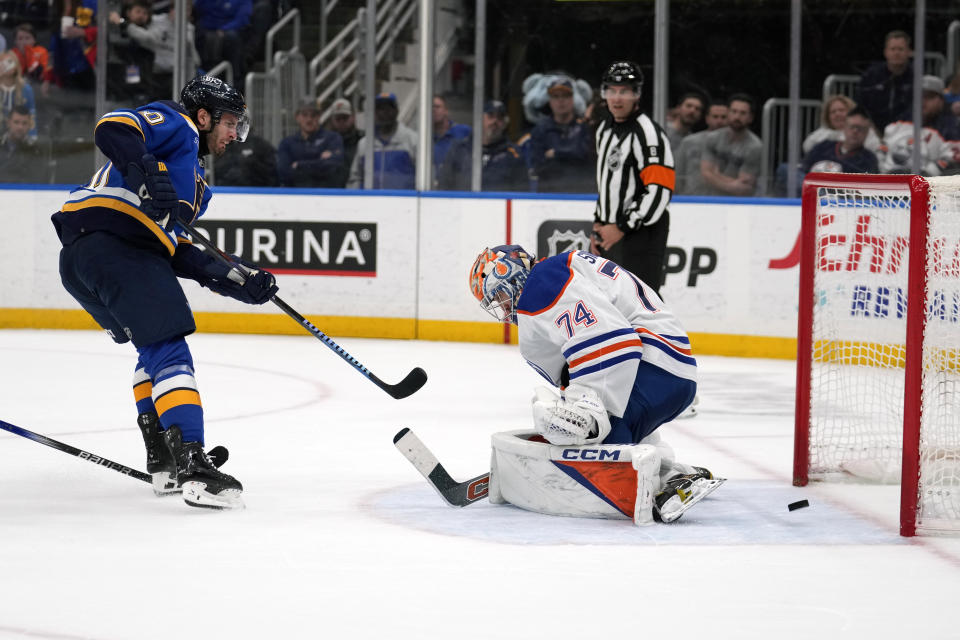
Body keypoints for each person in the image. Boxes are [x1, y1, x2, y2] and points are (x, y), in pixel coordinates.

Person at [49, 75, 278, 510]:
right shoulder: (179, 124)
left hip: (88, 258)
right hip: (114, 245)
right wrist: (147, 168)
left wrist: (238, 280)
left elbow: (178, 250)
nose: (234, 134)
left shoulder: (197, 186)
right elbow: (112, 128)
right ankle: (193, 464)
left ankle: (165, 460)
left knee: (152, 346)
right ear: (205, 115)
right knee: (169, 348)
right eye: (231, 122)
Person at [468, 244, 719, 523]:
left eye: (501, 295)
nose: (503, 307)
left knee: (588, 450)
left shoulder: (542, 282)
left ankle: (665, 482)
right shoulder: (558, 272)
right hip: (667, 371)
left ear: (512, 275)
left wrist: (587, 411)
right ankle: (675, 475)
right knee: (586, 432)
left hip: (652, 370)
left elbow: (614, 342)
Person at [591, 61, 674, 294]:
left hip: (641, 234)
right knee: (611, 303)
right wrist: (599, 224)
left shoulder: (648, 134)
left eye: (625, 92)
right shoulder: (604, 129)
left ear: (636, 94)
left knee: (642, 303)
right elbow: (607, 182)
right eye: (612, 91)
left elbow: (659, 190)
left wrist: (622, 226)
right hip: (610, 233)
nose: (617, 99)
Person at [437, 99, 527, 192]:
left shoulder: (514, 154)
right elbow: (444, 185)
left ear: (504, 124)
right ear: (481, 119)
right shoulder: (459, 150)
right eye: (490, 116)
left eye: (500, 118)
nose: (495, 121)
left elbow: (522, 194)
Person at [877, 75, 959, 176]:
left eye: (929, 97)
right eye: (920, 96)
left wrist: (927, 174)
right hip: (890, 181)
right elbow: (882, 149)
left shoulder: (950, 127)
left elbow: (951, 158)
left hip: (928, 185)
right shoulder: (900, 122)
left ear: (941, 101)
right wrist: (883, 172)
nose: (923, 101)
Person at [528, 77, 594, 193]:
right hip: (548, 197)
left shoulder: (585, 129)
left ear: (572, 99)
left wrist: (555, 153)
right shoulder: (539, 131)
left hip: (581, 195)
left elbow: (587, 159)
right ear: (550, 102)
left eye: (565, 96)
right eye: (556, 97)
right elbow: (537, 166)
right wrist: (572, 156)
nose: (561, 101)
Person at [124, 1, 201, 100]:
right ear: (172, 10)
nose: (142, 16)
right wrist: (124, 24)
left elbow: (192, 55)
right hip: (153, 69)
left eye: (188, 10)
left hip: (173, 74)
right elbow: (148, 38)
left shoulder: (189, 28)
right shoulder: (157, 21)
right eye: (138, 12)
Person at [347, 92, 417, 190]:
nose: (385, 112)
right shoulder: (364, 144)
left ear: (396, 111)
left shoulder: (413, 140)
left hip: (404, 203)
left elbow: (424, 176)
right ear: (375, 112)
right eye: (380, 108)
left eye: (389, 108)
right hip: (370, 202)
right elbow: (355, 178)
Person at [699, 93, 762, 197]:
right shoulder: (712, 138)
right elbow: (705, 174)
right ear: (728, 113)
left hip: (739, 203)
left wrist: (716, 175)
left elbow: (743, 188)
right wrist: (732, 183)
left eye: (743, 113)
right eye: (734, 111)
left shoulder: (755, 146)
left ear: (750, 118)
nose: (737, 116)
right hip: (709, 199)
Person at [277, 98, 345, 188]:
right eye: (304, 115)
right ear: (297, 117)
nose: (309, 119)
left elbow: (334, 167)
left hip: (326, 195)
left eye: (313, 115)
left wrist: (299, 165)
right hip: (295, 196)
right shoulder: (287, 143)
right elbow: (283, 173)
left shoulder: (332, 138)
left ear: (319, 116)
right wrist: (319, 162)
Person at [857, 30, 914, 132]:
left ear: (909, 52)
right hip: (871, 130)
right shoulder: (871, 76)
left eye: (900, 49)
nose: (896, 53)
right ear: (885, 52)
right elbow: (861, 104)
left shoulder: (916, 78)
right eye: (892, 49)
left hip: (905, 131)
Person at [802, 106, 879, 175]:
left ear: (867, 132)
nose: (855, 131)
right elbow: (803, 170)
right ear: (844, 128)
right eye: (852, 127)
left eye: (860, 128)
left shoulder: (869, 160)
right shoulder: (823, 146)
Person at [675, 100, 728, 194]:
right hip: (691, 200)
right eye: (715, 117)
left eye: (723, 117)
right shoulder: (689, 142)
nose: (719, 121)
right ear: (707, 118)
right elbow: (678, 174)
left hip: (724, 201)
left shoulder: (736, 146)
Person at [193, 0, 251, 84]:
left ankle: (234, 80)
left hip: (230, 32)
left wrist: (224, 29)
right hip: (206, 30)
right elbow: (197, 8)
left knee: (231, 38)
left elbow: (242, 19)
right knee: (198, 34)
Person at [803, 95, 881, 154]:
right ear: (828, 117)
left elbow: (875, 150)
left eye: (841, 110)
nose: (837, 114)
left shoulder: (865, 132)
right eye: (833, 112)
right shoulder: (821, 133)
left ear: (852, 113)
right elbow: (807, 147)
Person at [213, 130, 278, 186]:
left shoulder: (259, 143)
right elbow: (216, 169)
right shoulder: (222, 144)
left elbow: (271, 170)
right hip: (225, 190)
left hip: (255, 190)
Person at [0, 103, 45, 182]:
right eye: (16, 122)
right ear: (8, 123)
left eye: (24, 123)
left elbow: (37, 179)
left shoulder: (35, 150)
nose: (20, 127)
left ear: (29, 125)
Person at [431, 93, 471, 184]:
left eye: (437, 107)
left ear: (446, 111)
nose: (433, 110)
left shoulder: (464, 131)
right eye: (431, 107)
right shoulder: (424, 138)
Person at [0, 50, 37, 140]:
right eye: (3, 63)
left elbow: (31, 115)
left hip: (20, 135)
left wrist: (33, 136)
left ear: (16, 66)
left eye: (10, 62)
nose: (7, 66)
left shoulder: (26, 89)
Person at [326, 97, 362, 183]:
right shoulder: (324, 142)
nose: (342, 122)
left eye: (345, 118)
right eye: (338, 118)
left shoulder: (362, 141)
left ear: (353, 117)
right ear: (332, 119)